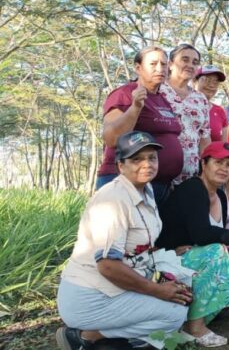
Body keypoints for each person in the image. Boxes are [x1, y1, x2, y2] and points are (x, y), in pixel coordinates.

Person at [57, 132, 188, 350]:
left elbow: (140, 245)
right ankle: (87, 337)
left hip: (116, 287)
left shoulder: (146, 191)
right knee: (175, 313)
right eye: (136, 159)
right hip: (90, 297)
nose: (147, 164)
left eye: (152, 157)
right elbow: (108, 265)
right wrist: (157, 290)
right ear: (120, 166)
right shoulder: (113, 199)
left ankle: (116, 342)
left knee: (183, 289)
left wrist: (162, 276)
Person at [157, 141, 229, 346]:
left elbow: (214, 236)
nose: (224, 169)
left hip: (195, 257)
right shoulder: (193, 188)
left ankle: (183, 323)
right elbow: (203, 234)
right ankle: (195, 327)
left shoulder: (221, 196)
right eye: (218, 162)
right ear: (204, 164)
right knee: (215, 252)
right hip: (169, 259)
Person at [97, 46, 182, 205]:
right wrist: (135, 107)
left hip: (159, 186)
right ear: (138, 67)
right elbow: (111, 138)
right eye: (153, 64)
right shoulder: (124, 94)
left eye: (164, 64)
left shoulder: (163, 99)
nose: (160, 69)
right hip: (125, 181)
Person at [160, 44, 211, 184]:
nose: (190, 65)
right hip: (156, 175)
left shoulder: (201, 99)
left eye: (195, 62)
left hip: (189, 178)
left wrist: (206, 175)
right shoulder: (157, 90)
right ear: (170, 64)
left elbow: (205, 140)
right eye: (185, 60)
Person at [194, 64, 229, 142]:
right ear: (195, 82)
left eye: (215, 82)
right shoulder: (182, 105)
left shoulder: (220, 111)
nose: (211, 85)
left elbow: (224, 145)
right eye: (206, 80)